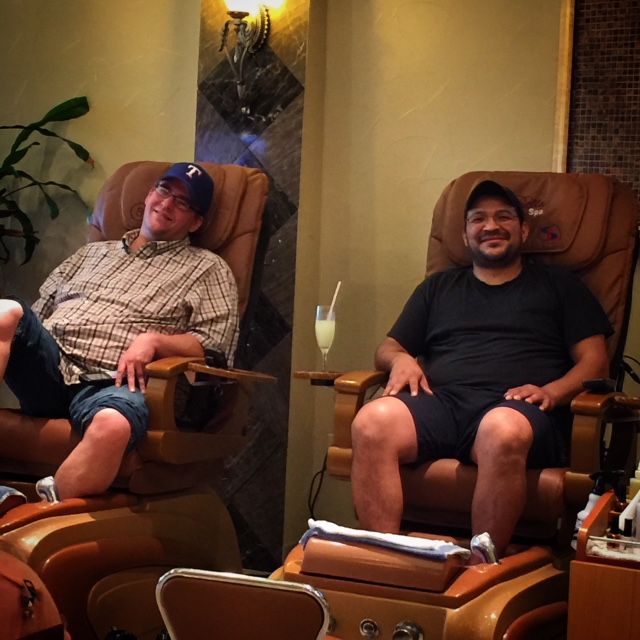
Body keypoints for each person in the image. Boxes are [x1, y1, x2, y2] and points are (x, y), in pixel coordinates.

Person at [350, 179, 613, 559]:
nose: (491, 226)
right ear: (465, 234)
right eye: (478, 219)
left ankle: (481, 565)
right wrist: (401, 360)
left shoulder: (560, 286)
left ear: (524, 230)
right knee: (370, 422)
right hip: (443, 404)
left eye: (503, 217)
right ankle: (385, 560)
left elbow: (595, 360)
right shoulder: (437, 288)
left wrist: (552, 392)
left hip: (519, 409)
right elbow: (389, 347)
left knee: (500, 429)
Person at [0, 162, 239, 502]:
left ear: (196, 222)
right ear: (149, 194)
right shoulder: (90, 254)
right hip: (50, 370)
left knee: (113, 425)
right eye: (164, 190)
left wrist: (153, 341)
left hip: (114, 383)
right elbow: (34, 320)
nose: (167, 204)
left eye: (183, 202)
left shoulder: (208, 268)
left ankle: (41, 513)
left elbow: (216, 349)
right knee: (6, 311)